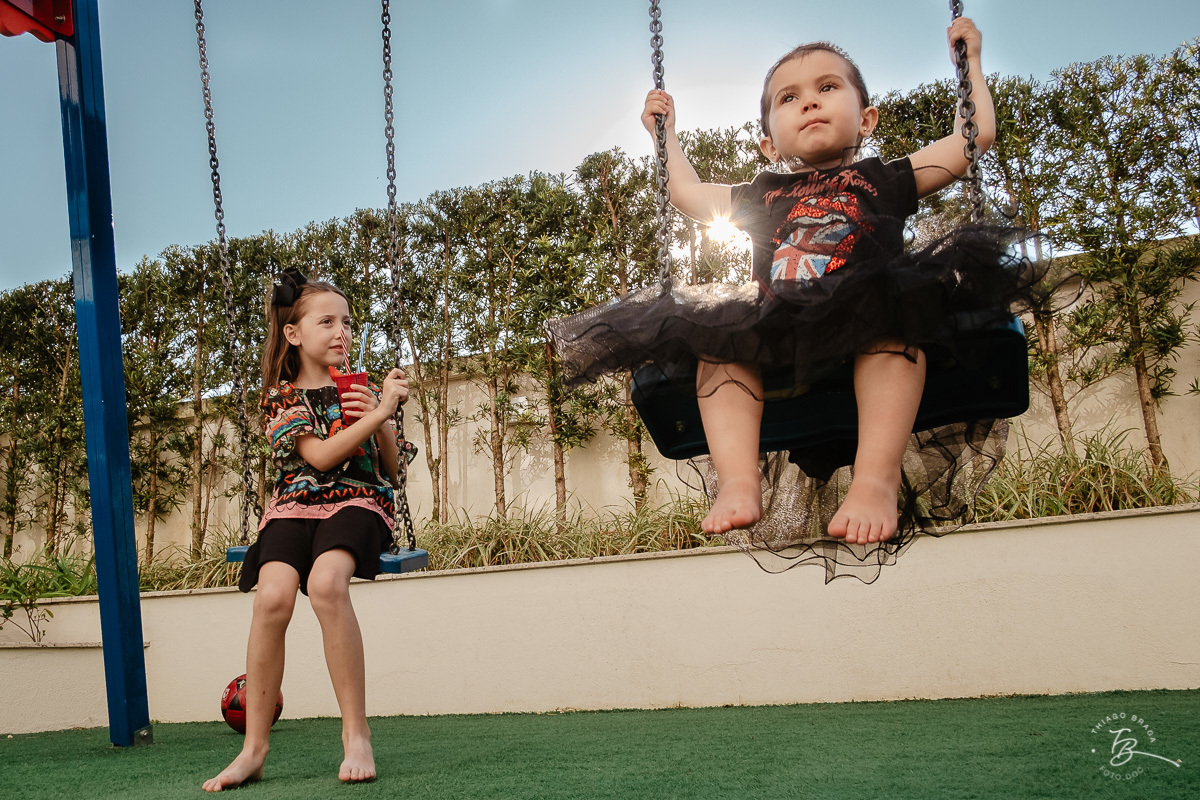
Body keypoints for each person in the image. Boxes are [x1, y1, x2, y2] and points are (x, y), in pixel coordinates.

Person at [548, 18, 1036, 579]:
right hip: (779, 331)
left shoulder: (889, 177)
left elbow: (972, 139)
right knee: (717, 342)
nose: (809, 102)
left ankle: (875, 480)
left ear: (867, 119)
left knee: (893, 318)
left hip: (868, 315)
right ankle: (738, 480)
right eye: (789, 97)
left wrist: (969, 63)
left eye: (828, 87)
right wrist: (666, 135)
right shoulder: (762, 193)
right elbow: (685, 192)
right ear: (768, 143)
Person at [204, 268, 408, 791]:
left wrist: (383, 418)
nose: (342, 332)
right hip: (294, 504)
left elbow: (393, 471)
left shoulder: (362, 390)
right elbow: (317, 457)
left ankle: (356, 734)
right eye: (327, 322)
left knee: (325, 584)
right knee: (272, 597)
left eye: (347, 322)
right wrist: (380, 411)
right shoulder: (281, 398)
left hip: (358, 501)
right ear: (293, 333)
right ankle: (253, 749)